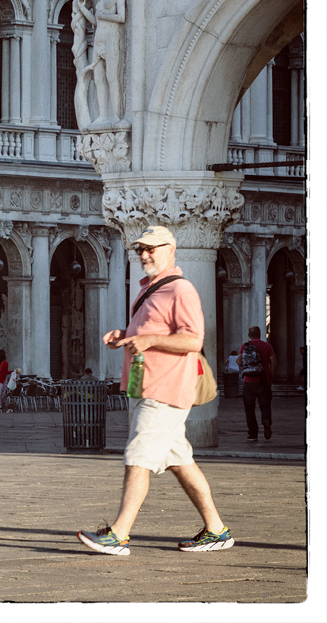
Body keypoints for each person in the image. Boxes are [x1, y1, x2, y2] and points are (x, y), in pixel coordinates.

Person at [77, 224, 233, 555]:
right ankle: (217, 530)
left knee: (137, 456)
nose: (145, 254)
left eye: (152, 248)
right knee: (181, 461)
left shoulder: (181, 290)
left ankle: (119, 534)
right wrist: (125, 335)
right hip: (147, 385)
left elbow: (193, 339)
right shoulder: (151, 288)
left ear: (170, 249)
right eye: (141, 250)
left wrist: (149, 339)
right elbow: (153, 331)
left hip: (166, 388)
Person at [238, 325, 276, 442]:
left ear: (249, 335)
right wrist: (271, 378)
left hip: (248, 381)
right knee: (265, 405)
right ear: (260, 334)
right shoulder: (267, 346)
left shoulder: (244, 346)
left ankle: (253, 434)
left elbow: (239, 361)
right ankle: (266, 420)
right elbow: (273, 363)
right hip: (263, 381)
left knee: (249, 409)